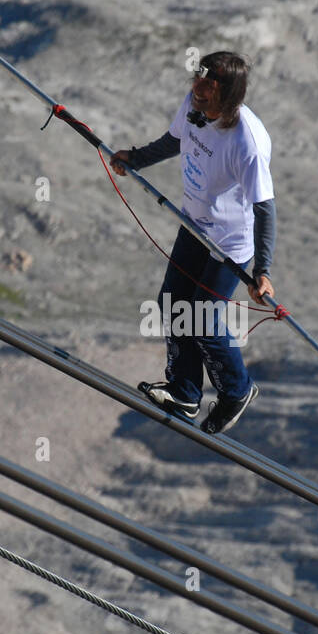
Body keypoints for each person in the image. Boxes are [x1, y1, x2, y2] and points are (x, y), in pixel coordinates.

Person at [110, 51, 277, 435]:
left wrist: (261, 271)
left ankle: (236, 390)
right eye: (195, 90)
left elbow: (265, 209)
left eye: (205, 95)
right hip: (194, 225)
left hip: (229, 245)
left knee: (203, 317)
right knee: (171, 301)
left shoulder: (246, 143)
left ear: (229, 98)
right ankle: (185, 392)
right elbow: (174, 140)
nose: (195, 98)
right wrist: (135, 158)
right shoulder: (194, 104)